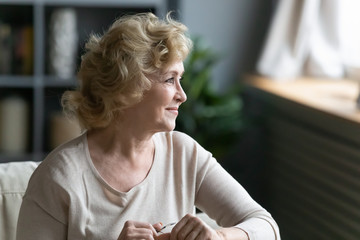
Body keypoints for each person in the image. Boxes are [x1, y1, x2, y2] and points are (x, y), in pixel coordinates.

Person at [17, 12, 280, 240]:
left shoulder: (184, 154)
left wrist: (218, 236)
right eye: (169, 80)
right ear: (125, 88)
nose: (182, 95)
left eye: (181, 79)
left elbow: (266, 226)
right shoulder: (59, 178)